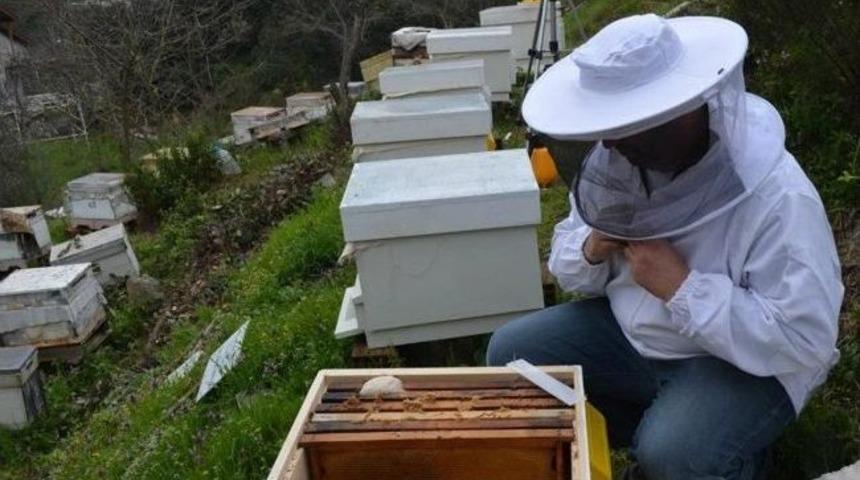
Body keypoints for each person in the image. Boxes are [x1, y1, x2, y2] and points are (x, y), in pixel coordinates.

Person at [486, 14, 844, 480]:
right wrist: (594, 246)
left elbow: (803, 340)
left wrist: (682, 287)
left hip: (738, 364)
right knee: (512, 355)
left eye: (630, 125)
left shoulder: (778, 198)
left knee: (676, 456)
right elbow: (568, 259)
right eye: (606, 126)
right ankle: (680, 436)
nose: (612, 143)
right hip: (632, 339)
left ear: (685, 109)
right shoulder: (621, 161)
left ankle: (710, 452)